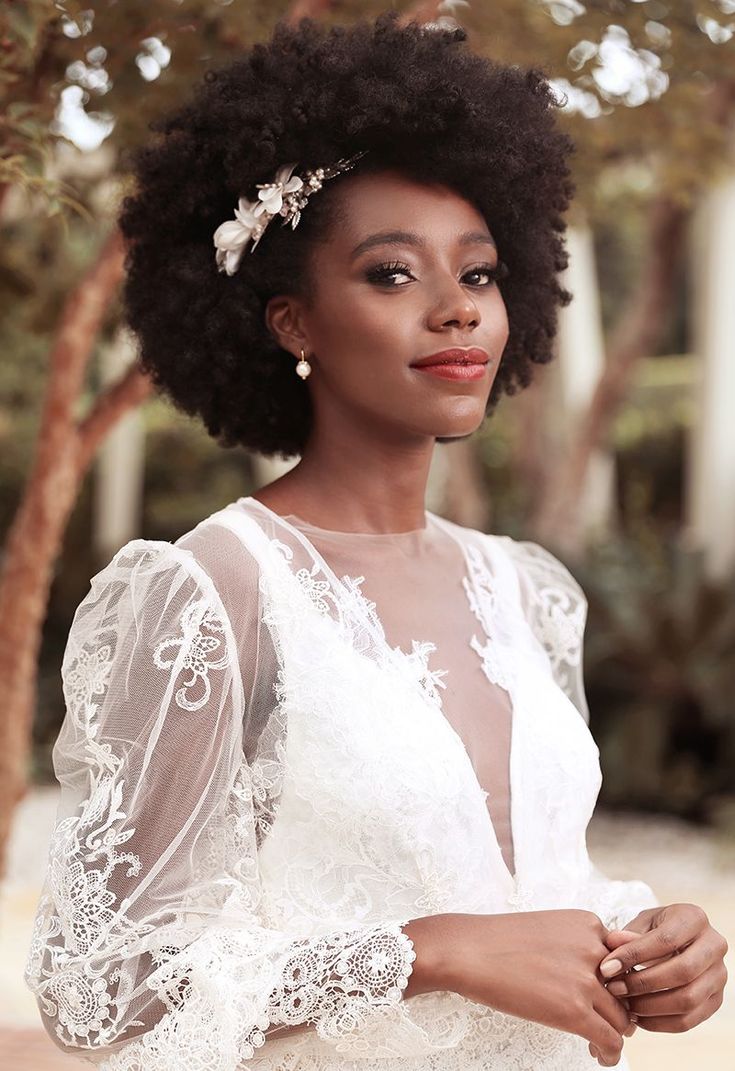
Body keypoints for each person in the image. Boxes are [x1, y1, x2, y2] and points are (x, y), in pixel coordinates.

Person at [24, 12, 727, 1071]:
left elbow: (523, 886)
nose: (457, 312)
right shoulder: (213, 593)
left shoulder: (524, 589)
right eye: (393, 274)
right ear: (292, 322)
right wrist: (424, 954)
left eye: (480, 274)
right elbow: (99, 986)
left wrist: (647, 941)